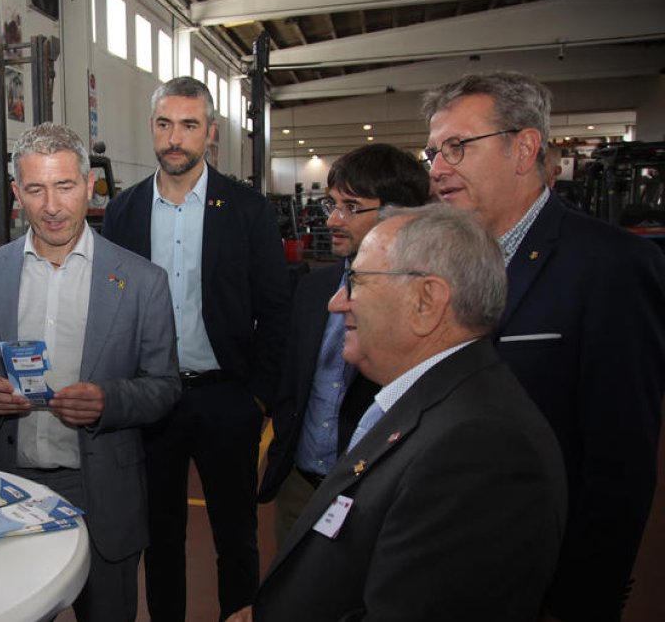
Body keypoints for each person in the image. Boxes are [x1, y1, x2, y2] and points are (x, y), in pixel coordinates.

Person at [231, 204, 568, 622]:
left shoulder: (480, 451)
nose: (337, 303)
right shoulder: (428, 400)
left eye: (356, 282)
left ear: (427, 301)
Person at [421, 71, 665, 621]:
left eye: (457, 147)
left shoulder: (611, 266)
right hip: (447, 560)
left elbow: (620, 461)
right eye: (433, 152)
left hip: (543, 576)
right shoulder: (446, 263)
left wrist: (581, 595)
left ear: (524, 147)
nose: (438, 169)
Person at [0, 123, 181, 621]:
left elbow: (164, 387)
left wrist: (109, 401)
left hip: (101, 493)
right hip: (10, 486)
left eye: (65, 186)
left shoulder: (141, 282)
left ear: (90, 185)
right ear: (16, 194)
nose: (52, 205)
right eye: (35, 189)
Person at [101, 75, 291, 620]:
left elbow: (276, 308)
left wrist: (258, 397)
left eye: (189, 125)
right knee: (160, 537)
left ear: (211, 132)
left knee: (236, 536)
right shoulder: (125, 211)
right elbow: (114, 305)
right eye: (165, 125)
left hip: (227, 397)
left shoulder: (248, 209)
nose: (175, 138)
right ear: (152, 130)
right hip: (152, 399)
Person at [258, 143, 429, 544]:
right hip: (300, 485)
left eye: (351, 207)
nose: (333, 219)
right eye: (331, 205)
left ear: (399, 215)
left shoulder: (424, 304)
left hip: (374, 493)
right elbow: (292, 377)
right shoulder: (313, 288)